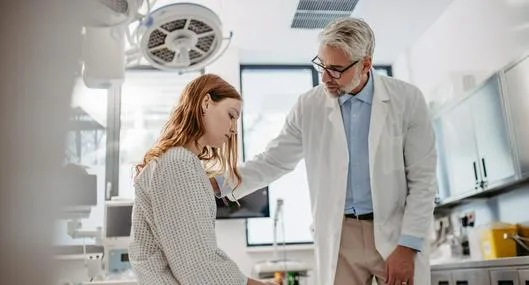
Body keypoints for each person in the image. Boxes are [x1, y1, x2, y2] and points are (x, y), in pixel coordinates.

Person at [212, 18, 437, 285]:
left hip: (394, 233)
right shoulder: (310, 105)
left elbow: (423, 181)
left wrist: (408, 246)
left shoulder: (407, 100)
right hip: (340, 235)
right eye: (322, 65)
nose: (325, 78)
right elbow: (273, 161)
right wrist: (216, 184)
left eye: (336, 70)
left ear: (366, 65)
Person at [129, 74, 276, 285]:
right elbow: (199, 269)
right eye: (231, 115)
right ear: (206, 103)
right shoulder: (179, 162)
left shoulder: (175, 161)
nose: (234, 129)